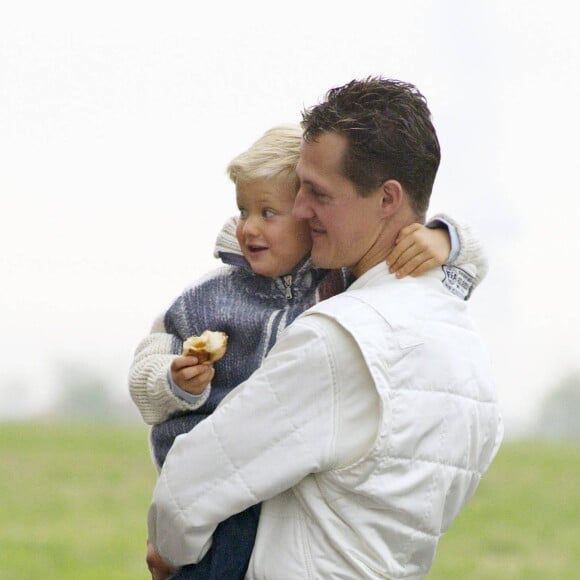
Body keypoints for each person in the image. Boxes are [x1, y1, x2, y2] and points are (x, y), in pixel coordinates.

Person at [141, 98, 500, 580]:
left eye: (318, 193)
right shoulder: (466, 349)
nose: (301, 209)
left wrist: (168, 551)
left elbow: (187, 492)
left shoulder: (339, 339)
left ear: (388, 199)